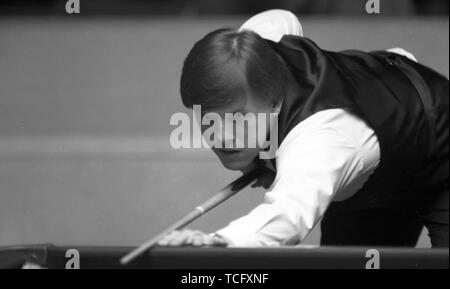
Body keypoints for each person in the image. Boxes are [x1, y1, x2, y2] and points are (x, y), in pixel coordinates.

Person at [158, 10, 449, 248]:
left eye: (238, 118)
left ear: (274, 103)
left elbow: (288, 214)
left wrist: (221, 243)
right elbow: (282, 17)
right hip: (372, 178)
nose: (221, 136)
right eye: (209, 117)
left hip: (440, 139)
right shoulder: (257, 44)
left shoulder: (321, 139)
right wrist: (263, 149)